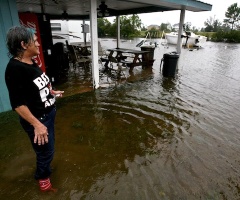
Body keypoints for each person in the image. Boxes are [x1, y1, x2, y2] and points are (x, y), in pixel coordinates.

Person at [5, 26, 64, 192]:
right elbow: (17, 104)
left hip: (48, 115)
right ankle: (43, 181)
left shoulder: (31, 62)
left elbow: (36, 86)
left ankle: (45, 171)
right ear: (24, 44)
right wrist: (37, 125)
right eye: (35, 41)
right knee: (45, 152)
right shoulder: (15, 69)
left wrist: (50, 92)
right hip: (38, 120)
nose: (38, 43)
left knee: (48, 149)